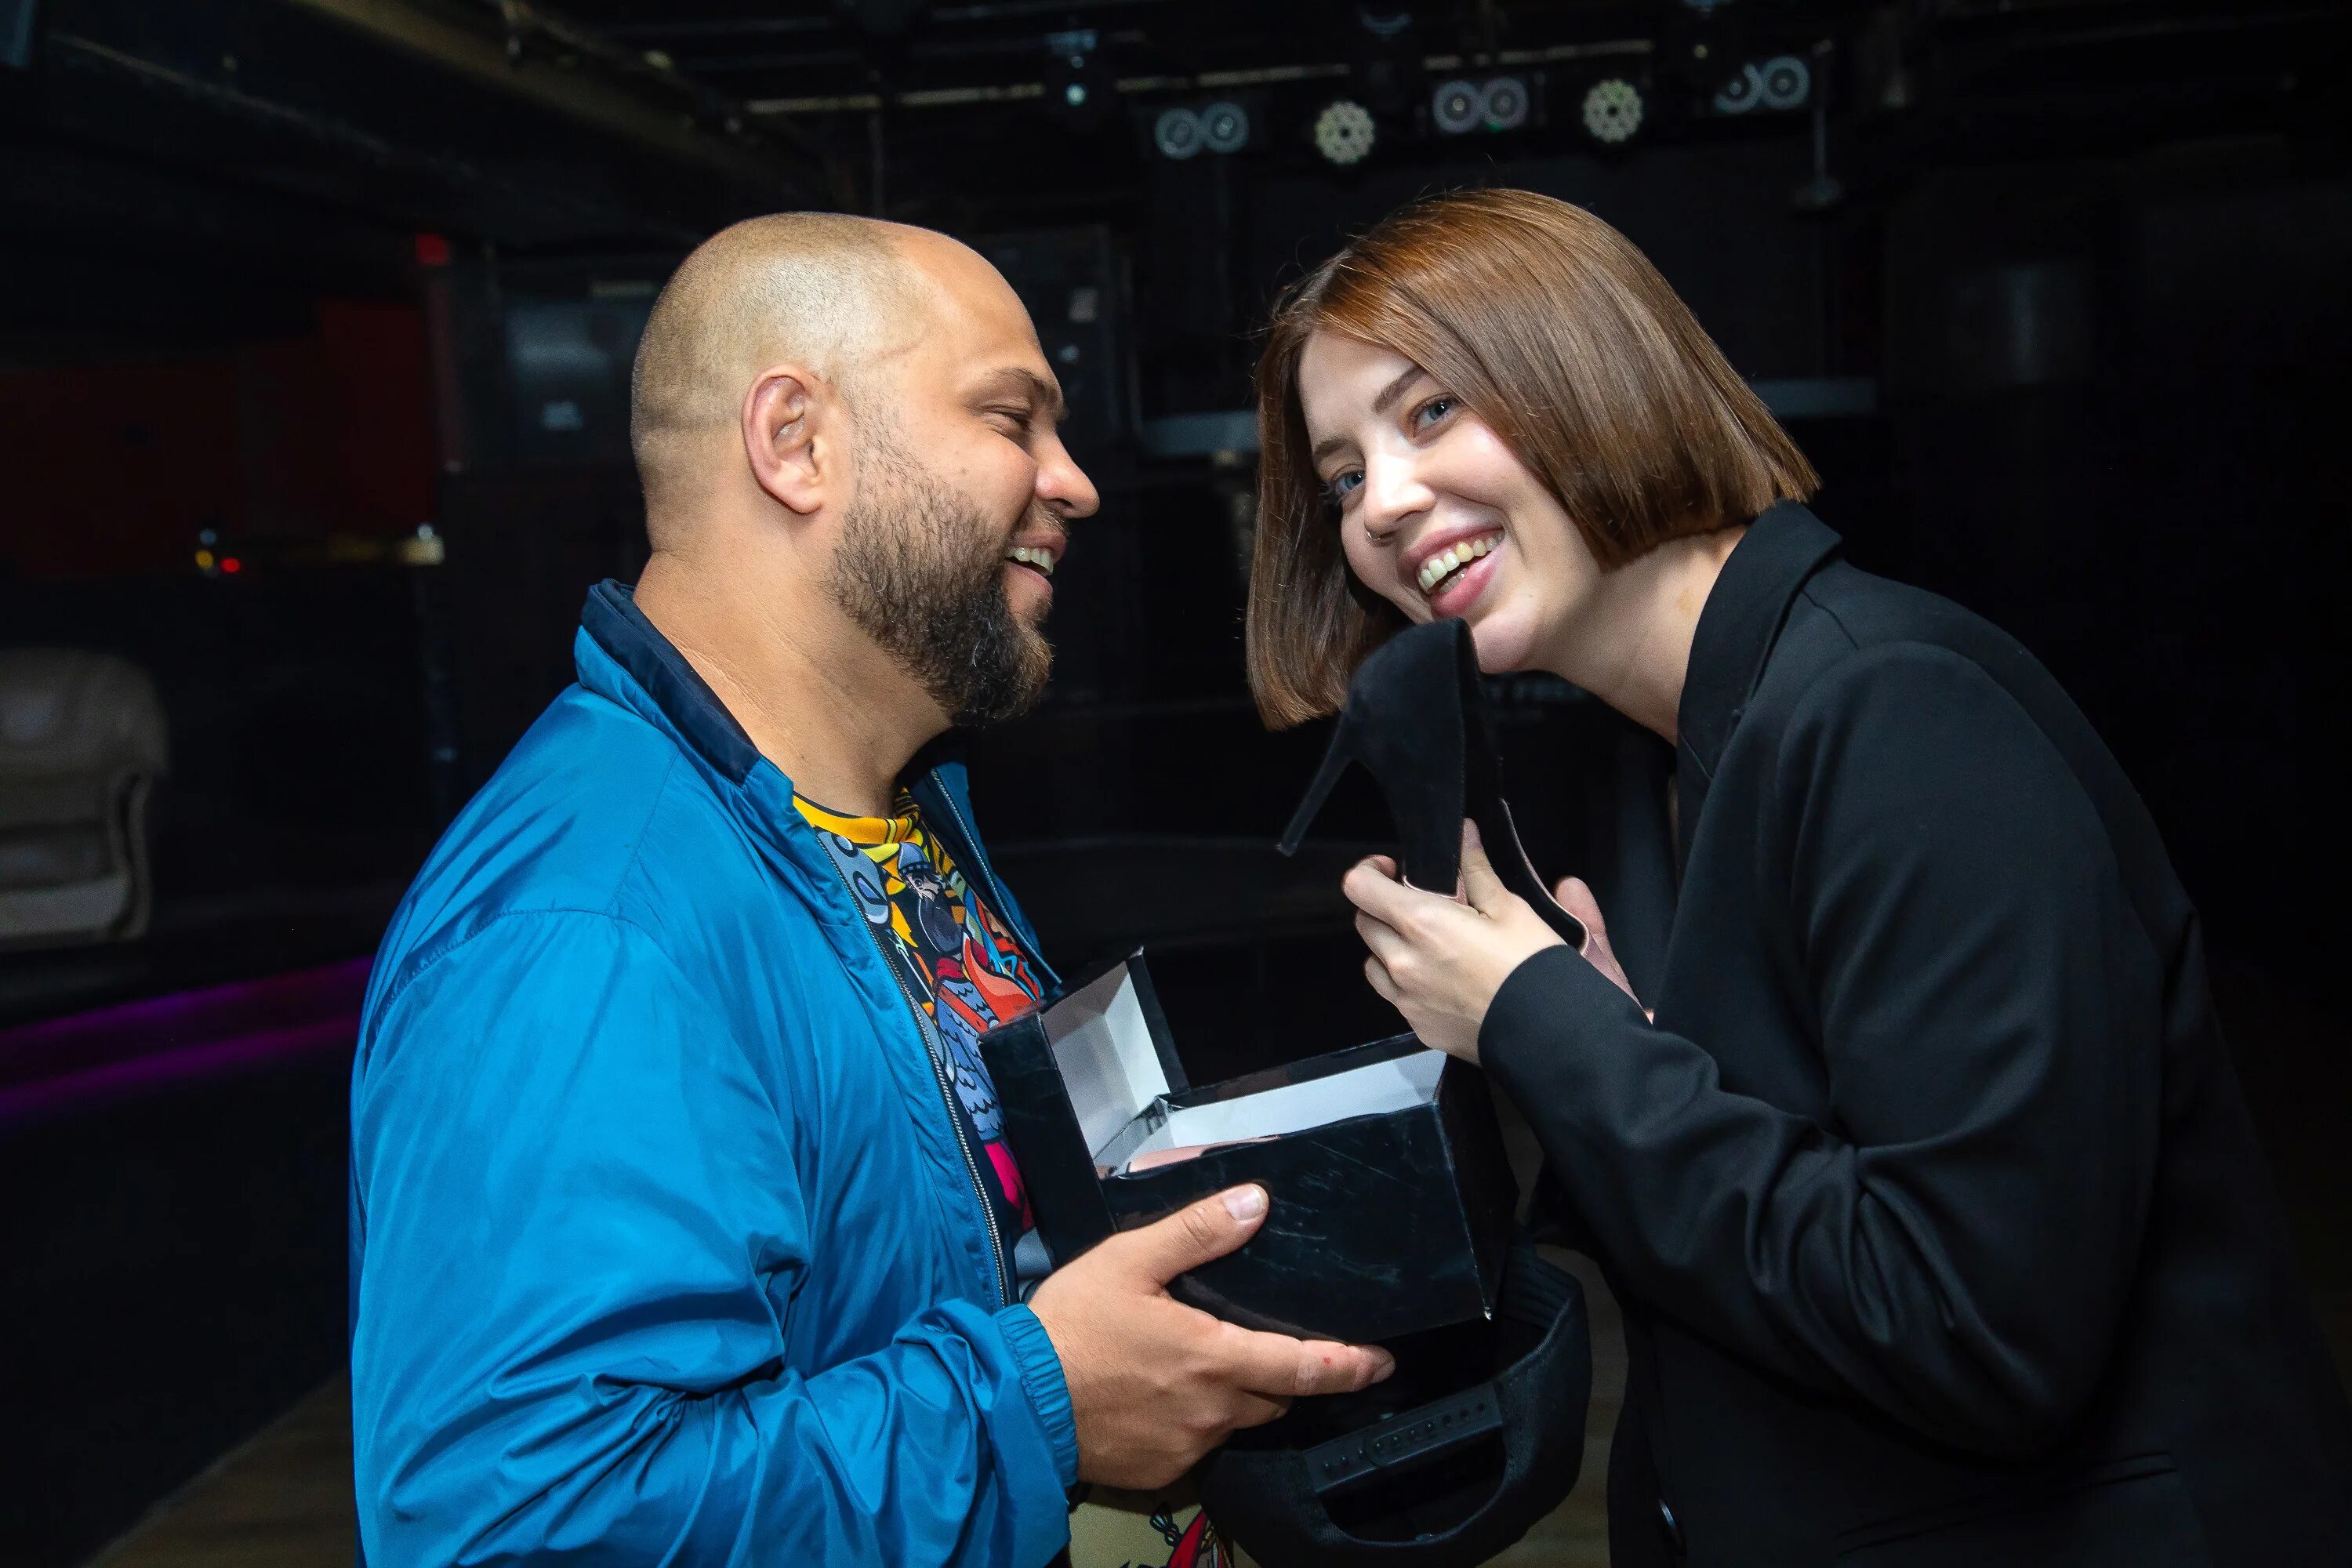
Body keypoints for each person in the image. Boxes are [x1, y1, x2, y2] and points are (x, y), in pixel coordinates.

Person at [1246, 187, 2352, 1566]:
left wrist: (1548, 1022)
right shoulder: (1665, 755)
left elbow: (1979, 1332)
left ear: (1589, 373)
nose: (1385, 507)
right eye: (1344, 476)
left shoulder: (1892, 711)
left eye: (1428, 414)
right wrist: (1609, 1038)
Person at [347, 213, 1392, 1568]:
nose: (1071, 482)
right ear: (794, 444)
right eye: (1013, 417)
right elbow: (527, 1525)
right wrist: (1038, 1410)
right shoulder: (586, 932)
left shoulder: (894, 817)